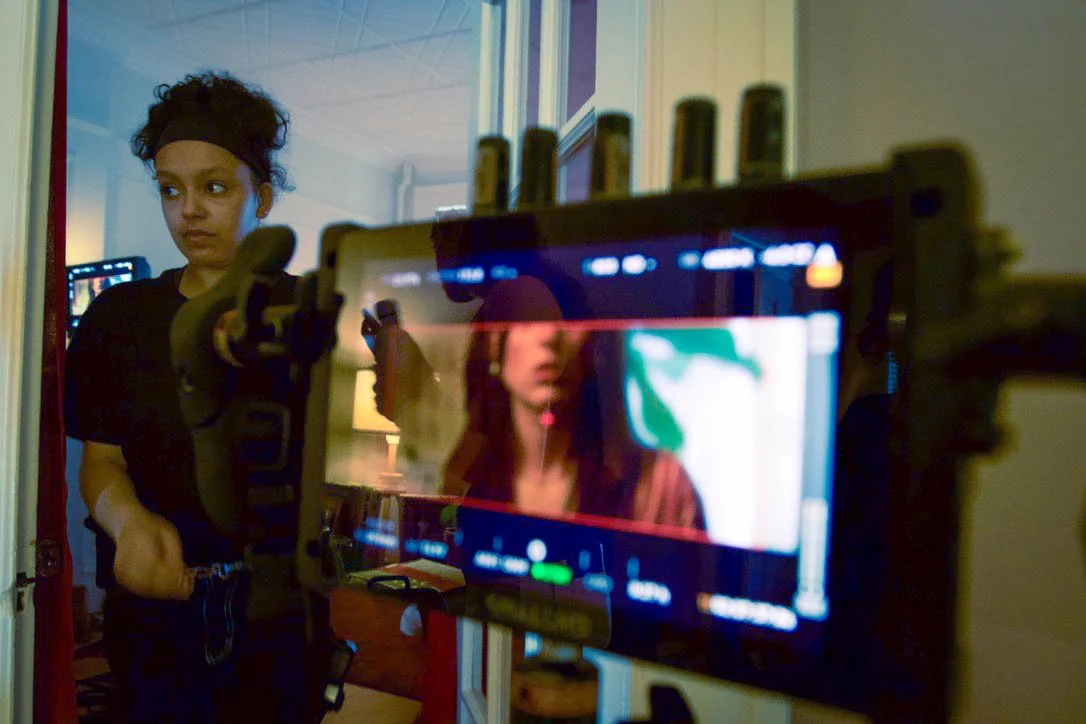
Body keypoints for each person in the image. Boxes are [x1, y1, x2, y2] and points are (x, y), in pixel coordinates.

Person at [65, 71, 327, 723]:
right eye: (169, 189)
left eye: (214, 187)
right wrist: (128, 521)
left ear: (261, 195)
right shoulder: (119, 318)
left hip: (277, 619)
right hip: (155, 621)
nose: (188, 211)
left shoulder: (306, 313)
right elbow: (102, 461)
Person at [441, 277, 705, 530]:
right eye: (527, 319)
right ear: (494, 343)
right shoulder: (471, 483)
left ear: (593, 345)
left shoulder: (658, 486)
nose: (548, 336)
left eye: (568, 320)